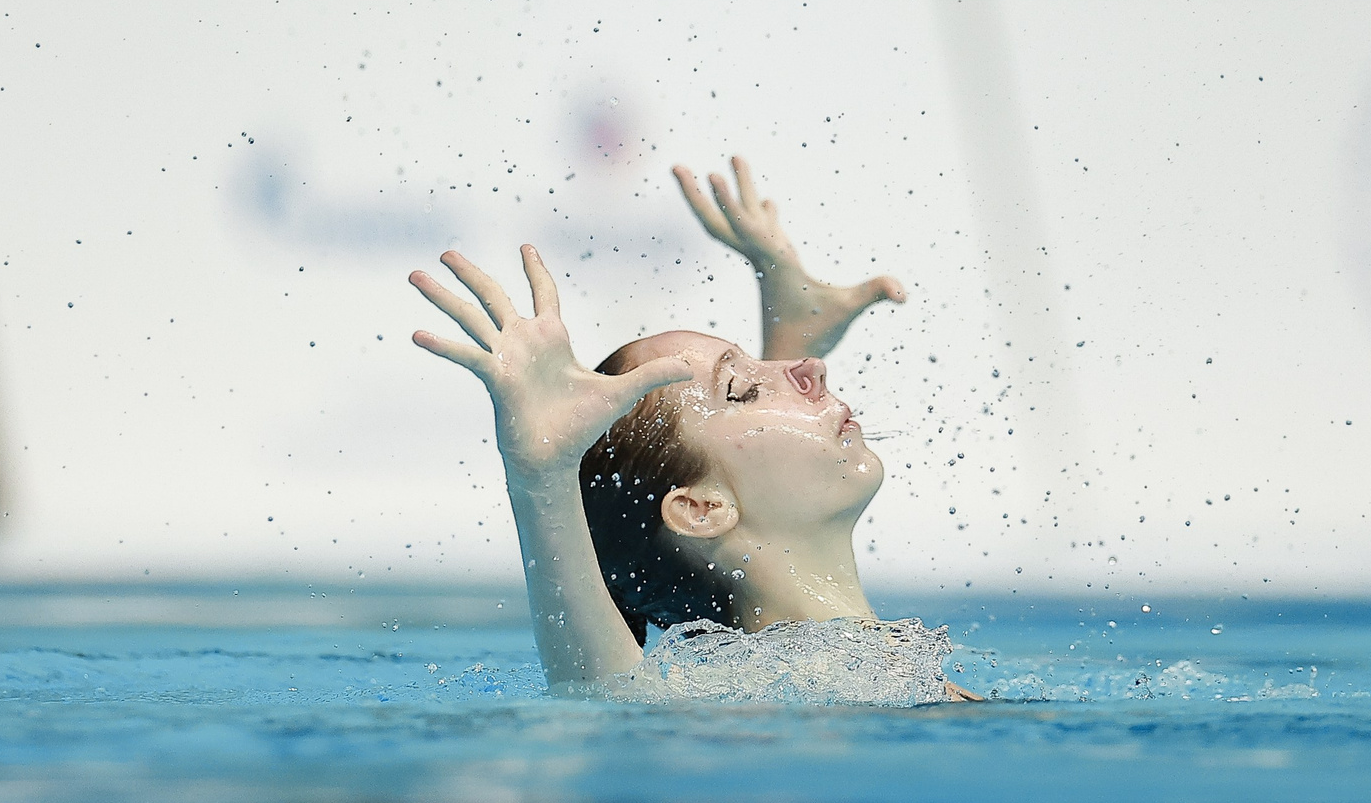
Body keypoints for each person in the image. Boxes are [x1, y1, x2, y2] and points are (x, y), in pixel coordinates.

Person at [410, 156, 972, 696]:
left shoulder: (857, 679)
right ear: (701, 509)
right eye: (744, 390)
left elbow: (747, 464)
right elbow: (604, 694)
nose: (811, 368)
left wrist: (789, 328)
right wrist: (544, 477)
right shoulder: (738, 708)